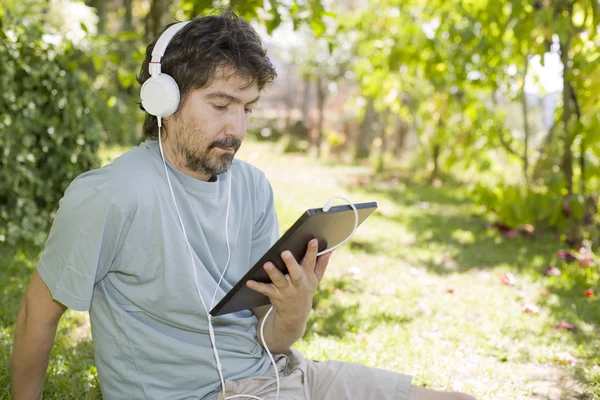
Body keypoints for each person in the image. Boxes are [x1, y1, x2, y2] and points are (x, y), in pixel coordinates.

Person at [10, 11, 475, 400]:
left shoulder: (251, 186)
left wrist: (295, 309)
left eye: (247, 108)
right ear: (163, 100)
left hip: (284, 376)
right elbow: (38, 312)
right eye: (220, 104)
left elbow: (269, 336)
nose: (236, 128)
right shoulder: (109, 195)